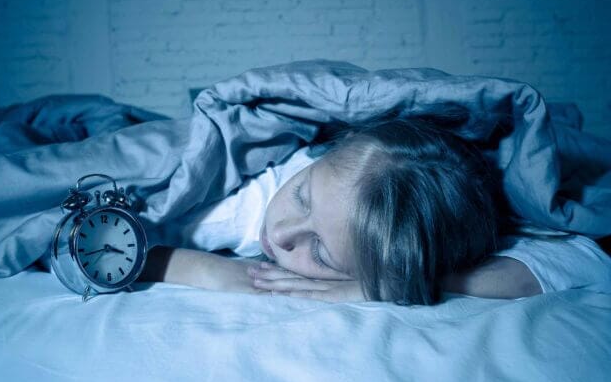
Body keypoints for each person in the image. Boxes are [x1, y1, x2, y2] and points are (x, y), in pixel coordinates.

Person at [140, 118, 610, 305]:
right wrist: (200, 266)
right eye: (302, 197)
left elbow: (583, 259)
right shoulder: (242, 207)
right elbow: (106, 242)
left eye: (320, 253)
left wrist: (391, 283)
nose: (281, 234)